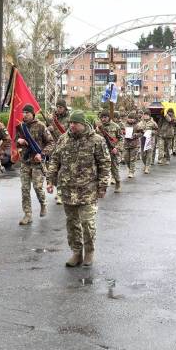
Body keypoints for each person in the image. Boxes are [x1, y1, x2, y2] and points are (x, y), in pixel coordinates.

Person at [46, 110, 110, 268]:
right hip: (68, 190)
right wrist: (50, 180)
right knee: (72, 223)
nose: (72, 125)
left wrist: (102, 186)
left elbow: (104, 163)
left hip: (88, 189)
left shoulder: (96, 140)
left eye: (75, 123)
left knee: (87, 223)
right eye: (71, 123)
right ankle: (76, 252)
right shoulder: (63, 139)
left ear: (83, 124)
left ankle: (89, 252)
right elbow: (55, 160)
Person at [15, 104, 54, 225]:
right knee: (25, 189)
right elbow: (15, 141)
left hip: (37, 162)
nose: (25, 115)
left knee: (37, 187)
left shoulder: (41, 126)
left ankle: (43, 204)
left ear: (33, 114)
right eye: (23, 112)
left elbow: (51, 143)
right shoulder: (21, 127)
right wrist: (19, 141)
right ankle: (27, 214)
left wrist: (42, 154)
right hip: (25, 162)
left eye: (27, 112)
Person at [49, 98, 71, 205]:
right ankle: (59, 191)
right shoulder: (52, 118)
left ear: (65, 108)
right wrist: (48, 129)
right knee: (55, 171)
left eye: (60, 107)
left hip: (66, 148)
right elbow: (45, 132)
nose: (58, 109)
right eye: (57, 107)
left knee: (64, 171)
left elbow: (70, 132)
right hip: (54, 148)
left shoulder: (69, 119)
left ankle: (62, 192)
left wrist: (57, 129)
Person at [95, 110, 123, 193]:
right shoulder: (98, 127)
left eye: (105, 117)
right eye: (102, 117)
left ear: (109, 117)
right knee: (100, 169)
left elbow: (121, 138)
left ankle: (118, 183)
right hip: (101, 151)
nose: (103, 119)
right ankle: (101, 187)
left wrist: (117, 148)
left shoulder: (116, 126)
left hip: (112, 150)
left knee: (114, 169)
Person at [135, 109, 158, 174]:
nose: (145, 116)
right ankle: (145, 164)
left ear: (149, 116)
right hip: (143, 140)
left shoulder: (153, 123)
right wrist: (140, 130)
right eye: (144, 115)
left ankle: (147, 167)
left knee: (149, 153)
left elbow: (156, 131)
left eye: (147, 115)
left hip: (150, 140)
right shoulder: (140, 123)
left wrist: (150, 132)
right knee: (143, 154)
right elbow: (137, 129)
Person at [122, 111, 141, 178]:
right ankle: (131, 169)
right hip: (126, 144)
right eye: (129, 118)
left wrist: (135, 135)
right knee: (126, 158)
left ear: (135, 119)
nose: (130, 119)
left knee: (132, 159)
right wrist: (123, 132)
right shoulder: (124, 125)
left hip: (134, 145)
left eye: (132, 118)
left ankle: (131, 172)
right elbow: (121, 132)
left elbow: (141, 133)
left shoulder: (137, 125)